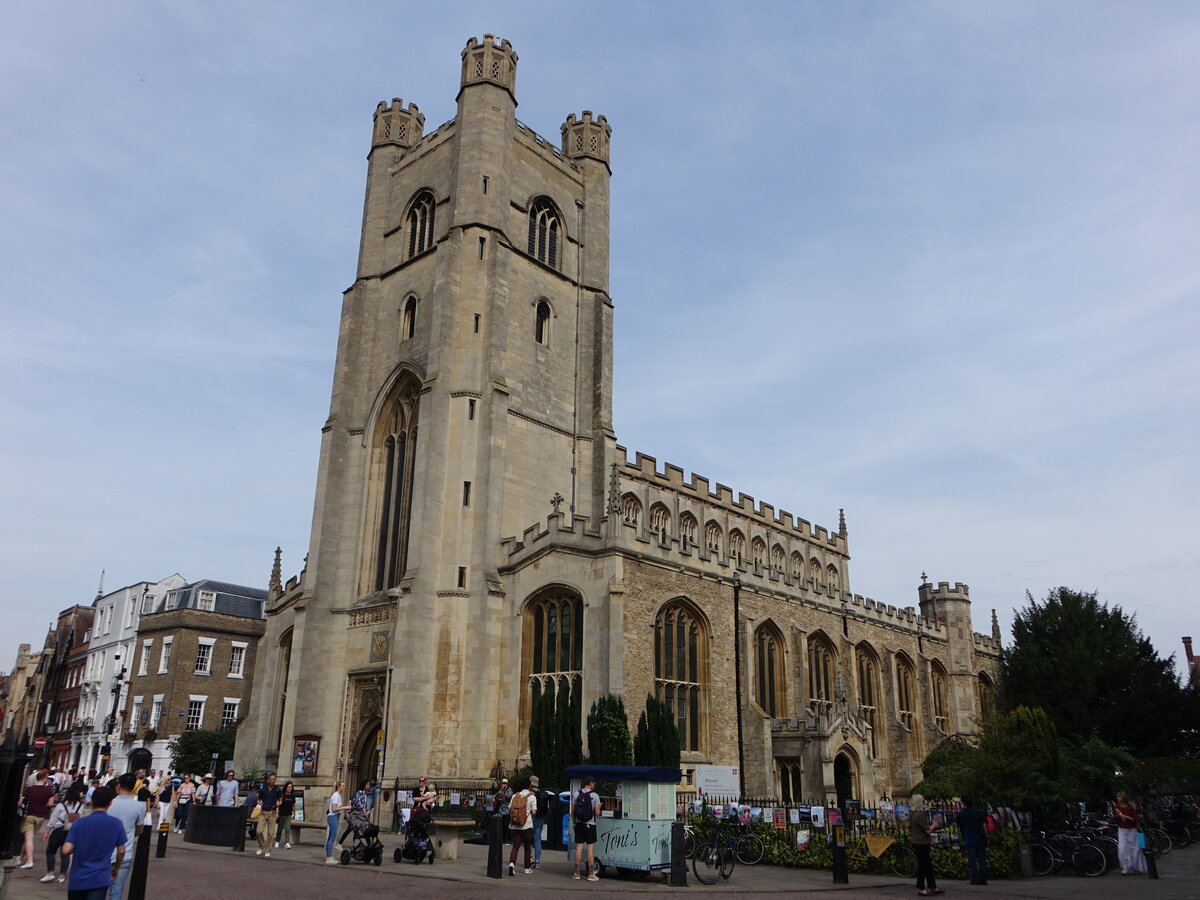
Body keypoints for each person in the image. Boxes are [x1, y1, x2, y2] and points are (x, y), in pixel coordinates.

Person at [62, 785, 127, 900]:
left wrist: (76, 848)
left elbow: (65, 849)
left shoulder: (79, 823)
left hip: (78, 877)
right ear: (110, 803)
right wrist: (116, 868)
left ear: (91, 802)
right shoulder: (116, 824)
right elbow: (121, 851)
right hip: (100, 877)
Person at [108, 774, 145, 900]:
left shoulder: (109, 803)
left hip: (104, 852)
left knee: (98, 889)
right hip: (125, 852)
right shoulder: (140, 806)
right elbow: (139, 829)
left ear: (118, 786)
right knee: (117, 890)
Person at [40, 783, 84, 883]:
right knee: (65, 853)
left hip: (58, 830)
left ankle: (50, 873)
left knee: (50, 851)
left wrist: (47, 832)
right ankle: (62, 875)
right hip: (71, 831)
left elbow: (53, 820)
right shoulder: (80, 806)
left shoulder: (61, 805)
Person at [19, 769, 57, 869]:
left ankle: (30, 860)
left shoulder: (29, 789)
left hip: (29, 815)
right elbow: (50, 804)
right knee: (28, 839)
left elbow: (20, 802)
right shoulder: (48, 790)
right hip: (40, 816)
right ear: (44, 779)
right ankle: (21, 858)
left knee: (28, 838)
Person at [909, 794, 943, 897]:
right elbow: (927, 830)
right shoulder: (919, 814)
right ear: (919, 803)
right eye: (923, 801)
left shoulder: (912, 813)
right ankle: (921, 888)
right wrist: (935, 823)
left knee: (928, 866)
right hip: (921, 843)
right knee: (923, 866)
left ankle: (933, 887)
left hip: (917, 842)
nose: (924, 803)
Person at [572, 774, 600, 882]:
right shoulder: (595, 796)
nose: (594, 785)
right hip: (590, 825)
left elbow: (573, 811)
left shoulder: (576, 794)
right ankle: (591, 874)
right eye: (594, 783)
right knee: (590, 849)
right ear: (591, 783)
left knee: (579, 848)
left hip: (579, 824)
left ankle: (577, 873)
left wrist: (574, 823)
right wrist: (599, 807)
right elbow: (597, 813)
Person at [955, 796, 988, 885]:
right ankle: (984, 878)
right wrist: (985, 835)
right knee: (982, 858)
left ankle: (975, 878)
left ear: (964, 803)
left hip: (969, 838)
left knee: (972, 859)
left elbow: (957, 823)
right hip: (979, 837)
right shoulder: (978, 812)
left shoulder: (962, 813)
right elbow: (984, 825)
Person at [507, 779, 537, 875]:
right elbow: (534, 812)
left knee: (515, 847)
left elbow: (509, 809)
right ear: (530, 786)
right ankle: (527, 868)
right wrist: (527, 818)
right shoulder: (532, 797)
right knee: (527, 847)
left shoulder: (515, 796)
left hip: (515, 825)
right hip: (527, 825)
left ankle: (511, 864)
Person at [1113, 791, 1146, 875]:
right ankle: (1125, 867)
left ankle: (1135, 867)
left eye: (1119, 797)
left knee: (1134, 849)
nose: (1118, 798)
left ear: (1123, 798)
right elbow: (1116, 820)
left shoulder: (1130, 807)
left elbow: (1136, 819)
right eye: (1117, 797)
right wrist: (1118, 816)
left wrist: (1127, 817)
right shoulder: (1117, 808)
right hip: (1122, 830)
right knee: (1122, 848)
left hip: (1131, 830)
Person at [256, 773, 282, 857]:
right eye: (272, 779)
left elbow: (280, 799)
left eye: (274, 779)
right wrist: (259, 802)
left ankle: (268, 850)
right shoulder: (263, 789)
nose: (273, 781)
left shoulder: (277, 790)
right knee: (259, 831)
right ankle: (262, 845)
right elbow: (258, 799)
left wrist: (279, 804)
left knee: (271, 833)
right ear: (268, 780)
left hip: (272, 812)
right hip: (263, 812)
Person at [529, 775, 552, 869]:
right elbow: (548, 807)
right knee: (537, 840)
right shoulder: (543, 793)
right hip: (541, 819)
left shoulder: (529, 794)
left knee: (528, 840)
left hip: (531, 818)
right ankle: (537, 861)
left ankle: (529, 859)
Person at [326, 780, 350, 864]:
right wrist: (345, 807)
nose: (344, 787)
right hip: (333, 817)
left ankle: (329, 856)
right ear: (338, 787)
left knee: (331, 838)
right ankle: (329, 858)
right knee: (332, 838)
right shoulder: (336, 795)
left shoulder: (337, 795)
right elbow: (334, 808)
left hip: (334, 817)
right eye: (343, 786)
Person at [275, 781, 296, 849]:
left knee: (287, 828)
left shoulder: (292, 796)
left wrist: (294, 813)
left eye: (291, 787)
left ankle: (287, 842)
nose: (290, 788)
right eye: (289, 787)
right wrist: (277, 812)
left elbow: (293, 805)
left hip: (289, 814)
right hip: (282, 814)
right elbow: (278, 804)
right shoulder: (282, 795)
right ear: (286, 787)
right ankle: (277, 841)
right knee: (280, 829)